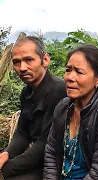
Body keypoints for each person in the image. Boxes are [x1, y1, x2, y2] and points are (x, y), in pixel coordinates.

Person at [43, 44, 98, 179]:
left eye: (79, 72)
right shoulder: (63, 107)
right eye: (68, 70)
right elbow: (51, 152)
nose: (70, 77)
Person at [0, 36, 67, 179]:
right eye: (16, 62)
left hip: (55, 163)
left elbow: (46, 143)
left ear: (45, 60)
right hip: (37, 159)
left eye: (29, 60)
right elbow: (22, 133)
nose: (22, 68)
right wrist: (6, 154)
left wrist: (7, 168)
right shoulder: (26, 92)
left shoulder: (59, 91)